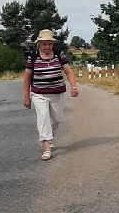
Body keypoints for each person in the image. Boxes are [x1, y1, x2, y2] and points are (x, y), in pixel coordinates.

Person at [23, 29, 78, 161]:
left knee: (57, 119)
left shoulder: (58, 54)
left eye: (49, 44)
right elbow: (27, 77)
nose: (47, 47)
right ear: (39, 44)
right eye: (44, 44)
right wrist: (26, 96)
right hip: (39, 93)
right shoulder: (33, 56)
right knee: (43, 119)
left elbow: (68, 71)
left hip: (57, 93)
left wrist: (73, 87)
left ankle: (49, 137)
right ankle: (47, 147)